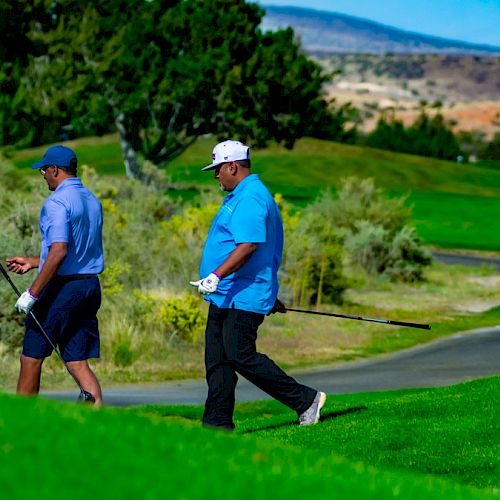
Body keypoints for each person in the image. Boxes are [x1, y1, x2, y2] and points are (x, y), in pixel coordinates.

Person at [190, 140, 326, 430]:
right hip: (227, 295)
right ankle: (216, 426)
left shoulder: (250, 197)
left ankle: (305, 400)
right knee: (218, 361)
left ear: (232, 167)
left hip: (242, 293)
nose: (215, 176)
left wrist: (215, 276)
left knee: (239, 353)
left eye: (217, 169)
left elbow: (249, 245)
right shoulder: (241, 194)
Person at [6, 145, 104, 404]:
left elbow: (59, 251)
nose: (44, 176)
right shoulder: (92, 200)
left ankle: (22, 425)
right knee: (76, 360)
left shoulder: (57, 202)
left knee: (31, 356)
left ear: (55, 170)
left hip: (63, 289)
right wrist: (34, 261)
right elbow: (77, 254)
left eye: (44, 171)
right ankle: (98, 427)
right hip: (89, 286)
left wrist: (32, 292)